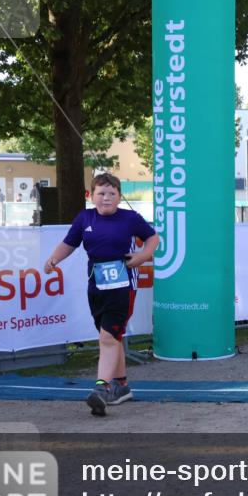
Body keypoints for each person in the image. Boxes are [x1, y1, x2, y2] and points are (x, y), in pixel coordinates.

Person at [43, 173, 159, 416]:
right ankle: (122, 386)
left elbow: (153, 237)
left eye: (112, 193)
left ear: (119, 196)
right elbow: (69, 243)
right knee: (110, 336)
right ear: (91, 195)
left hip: (123, 283)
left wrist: (142, 256)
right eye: (101, 193)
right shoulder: (85, 218)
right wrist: (54, 259)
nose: (106, 198)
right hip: (96, 284)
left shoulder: (130, 218)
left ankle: (101, 388)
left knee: (108, 337)